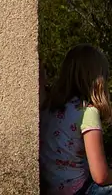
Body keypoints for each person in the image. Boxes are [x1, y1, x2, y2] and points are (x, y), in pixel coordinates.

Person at [41, 43, 112, 195]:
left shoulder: (48, 106)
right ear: (98, 80)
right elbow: (100, 176)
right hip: (77, 190)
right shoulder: (88, 112)